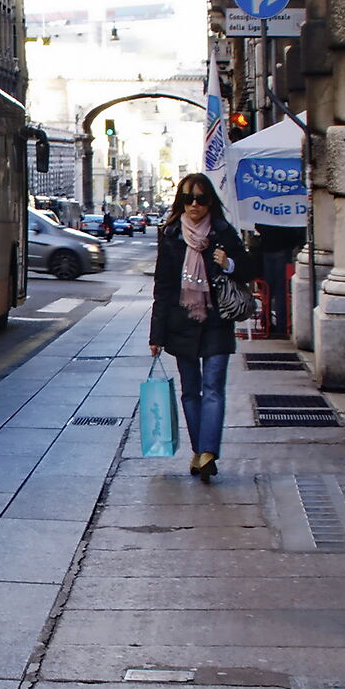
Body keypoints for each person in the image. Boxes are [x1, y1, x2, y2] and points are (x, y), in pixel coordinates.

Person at [150, 172, 257, 481]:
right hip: (181, 321)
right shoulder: (170, 235)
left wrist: (229, 264)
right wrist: (156, 334)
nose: (194, 205)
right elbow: (163, 287)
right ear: (180, 202)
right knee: (190, 392)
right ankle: (200, 452)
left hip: (216, 321)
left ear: (210, 201)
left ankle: (208, 452)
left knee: (213, 388)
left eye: (200, 199)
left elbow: (249, 268)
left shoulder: (223, 232)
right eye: (188, 199)